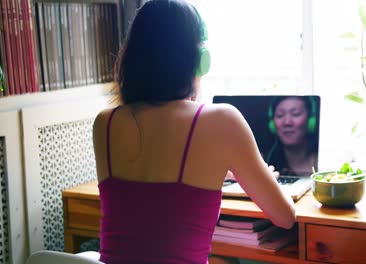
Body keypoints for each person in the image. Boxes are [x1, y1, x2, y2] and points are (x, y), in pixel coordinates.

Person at [92, 1, 296, 263]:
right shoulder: (222, 121)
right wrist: (264, 177)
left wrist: (223, 170)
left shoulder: (105, 123)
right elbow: (285, 217)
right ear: (199, 61)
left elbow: (149, 204)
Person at [265, 96, 318, 176]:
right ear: (272, 124)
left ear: (311, 121)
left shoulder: (326, 163)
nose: (287, 122)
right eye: (280, 115)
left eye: (295, 114)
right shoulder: (261, 162)